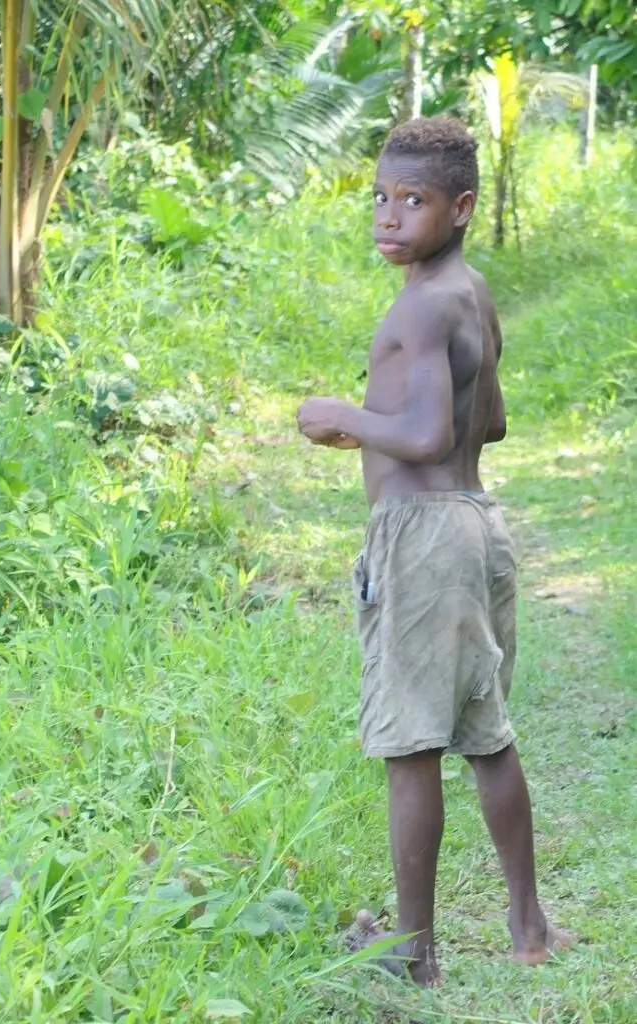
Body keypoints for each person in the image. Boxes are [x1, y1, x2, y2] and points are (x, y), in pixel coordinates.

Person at [296, 116, 576, 988]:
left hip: (421, 541)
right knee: (486, 736)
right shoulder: (472, 293)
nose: (387, 216)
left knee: (411, 749)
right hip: (474, 523)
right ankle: (528, 926)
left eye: (410, 202)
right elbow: (484, 421)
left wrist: (343, 416)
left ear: (459, 207)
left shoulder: (419, 304)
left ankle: (412, 958)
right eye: (380, 198)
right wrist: (382, 432)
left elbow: (423, 428)